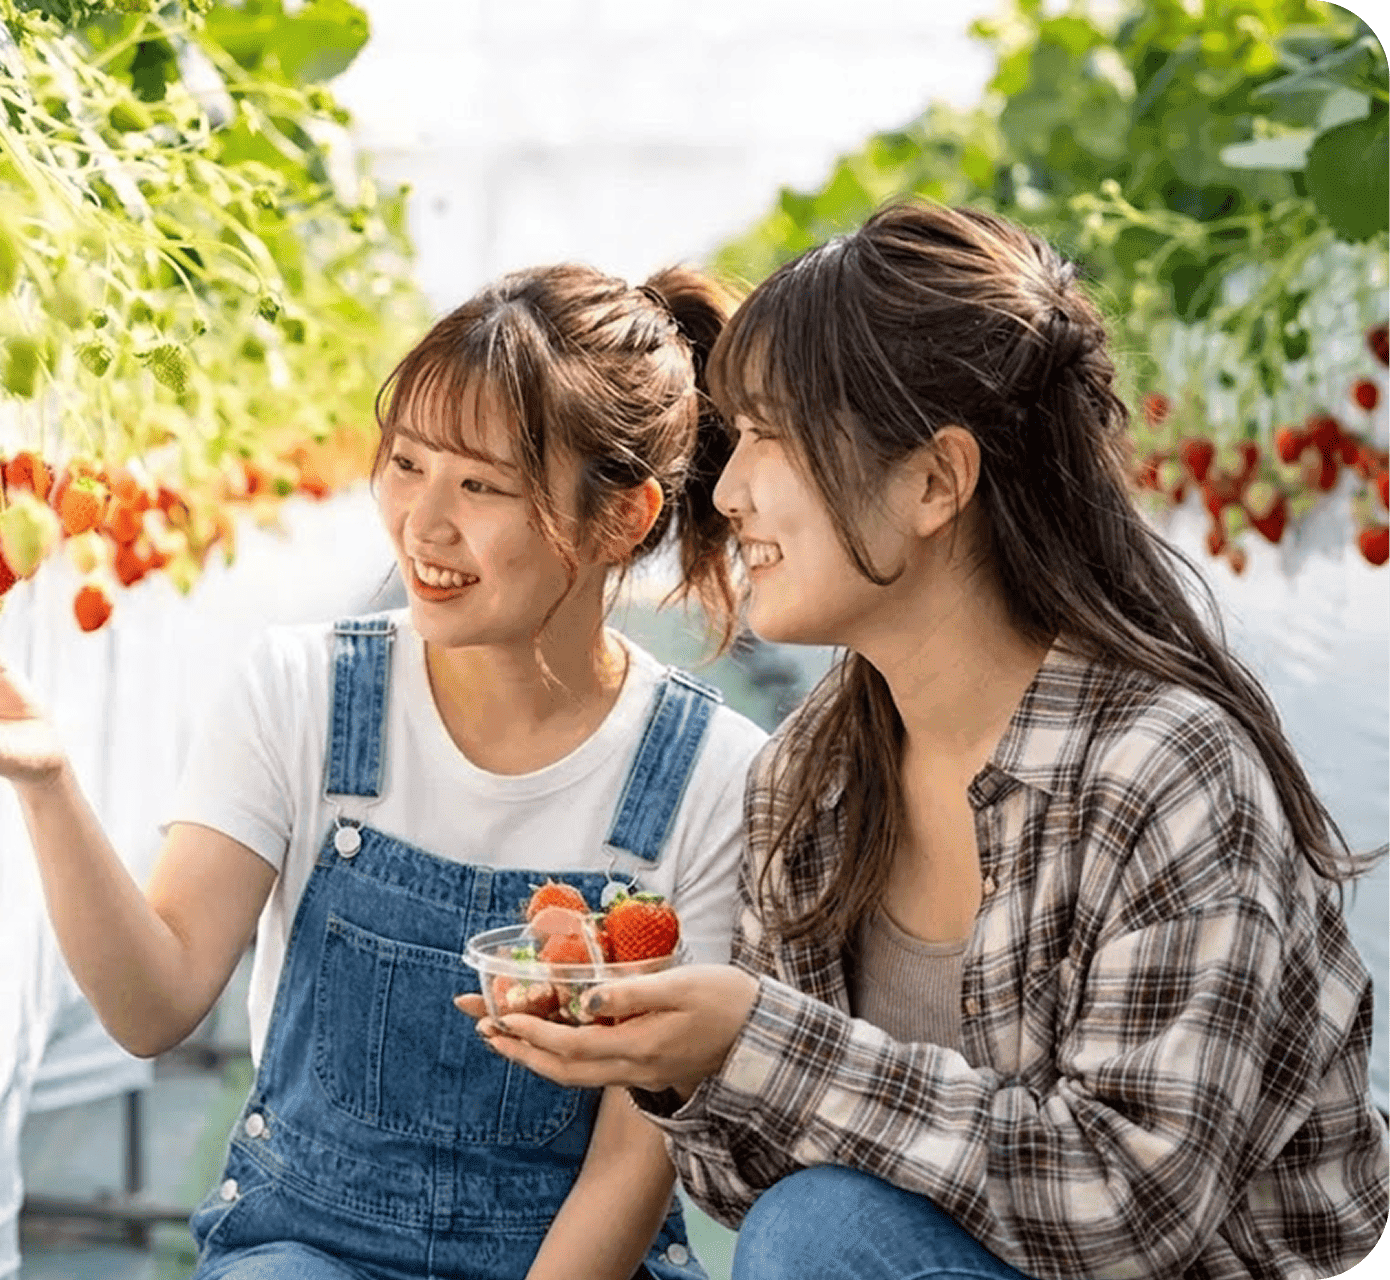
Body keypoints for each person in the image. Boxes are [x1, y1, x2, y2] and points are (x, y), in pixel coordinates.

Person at [465, 201, 1390, 1280]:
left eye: (770, 434)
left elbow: (1127, 1209)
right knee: (806, 1223)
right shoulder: (811, 777)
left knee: (820, 1234)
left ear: (935, 481)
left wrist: (760, 1037)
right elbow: (749, 1187)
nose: (726, 489)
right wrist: (684, 1065)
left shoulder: (1163, 768)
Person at [0, 261, 771, 1280]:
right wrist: (47, 784)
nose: (422, 524)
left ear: (622, 515)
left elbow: (627, 1170)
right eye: (406, 462)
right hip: (309, 1248)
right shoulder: (304, 691)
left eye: (481, 484)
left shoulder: (711, 772)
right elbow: (154, 1002)